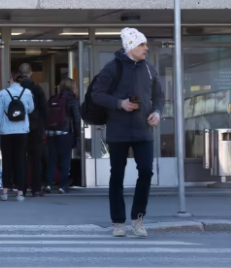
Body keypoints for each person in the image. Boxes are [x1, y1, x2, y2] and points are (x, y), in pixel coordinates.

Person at [91, 28, 164, 238]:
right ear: (131, 46)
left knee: (146, 172)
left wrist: (157, 113)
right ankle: (118, 222)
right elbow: (97, 94)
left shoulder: (149, 69)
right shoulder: (112, 68)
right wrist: (119, 103)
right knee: (117, 176)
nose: (146, 48)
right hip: (118, 131)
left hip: (143, 131)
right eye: (142, 45)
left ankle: (138, 218)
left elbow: (159, 97)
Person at [0, 71, 34, 201]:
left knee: (7, 161)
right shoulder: (27, 93)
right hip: (22, 131)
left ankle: (5, 192)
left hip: (6, 132)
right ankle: (20, 193)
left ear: (11, 78)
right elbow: (31, 109)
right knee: (20, 161)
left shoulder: (2, 94)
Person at [45, 78, 81, 195]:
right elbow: (76, 119)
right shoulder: (72, 100)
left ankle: (48, 184)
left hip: (50, 133)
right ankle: (63, 185)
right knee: (65, 161)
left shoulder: (52, 99)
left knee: (52, 160)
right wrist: (77, 136)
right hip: (65, 134)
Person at [19, 63, 48, 197]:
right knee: (35, 158)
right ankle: (36, 188)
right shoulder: (37, 88)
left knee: (21, 158)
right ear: (30, 73)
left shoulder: (17, 88)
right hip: (36, 127)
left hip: (19, 127)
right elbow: (44, 108)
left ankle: (22, 188)